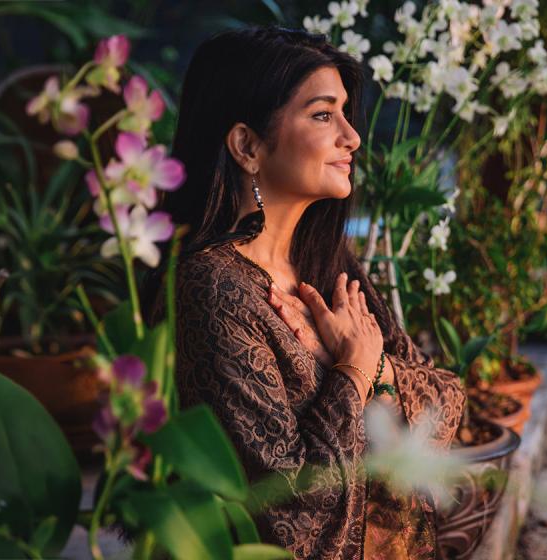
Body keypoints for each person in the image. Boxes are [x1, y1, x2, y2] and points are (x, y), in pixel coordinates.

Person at [145, 26, 465, 559]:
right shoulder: (211, 287)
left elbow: (448, 402)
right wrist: (353, 374)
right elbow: (288, 515)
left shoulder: (327, 263)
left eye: (345, 112)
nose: (352, 137)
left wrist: (376, 368)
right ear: (248, 145)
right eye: (323, 115)